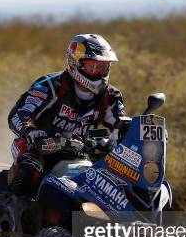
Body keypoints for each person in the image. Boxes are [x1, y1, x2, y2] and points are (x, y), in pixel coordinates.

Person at [7, 34, 127, 195]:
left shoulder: (110, 96)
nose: (99, 73)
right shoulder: (50, 86)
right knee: (29, 169)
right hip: (37, 148)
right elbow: (18, 115)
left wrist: (143, 133)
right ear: (75, 63)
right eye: (93, 67)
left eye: (103, 67)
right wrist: (31, 132)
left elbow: (122, 124)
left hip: (78, 153)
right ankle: (10, 212)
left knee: (116, 178)